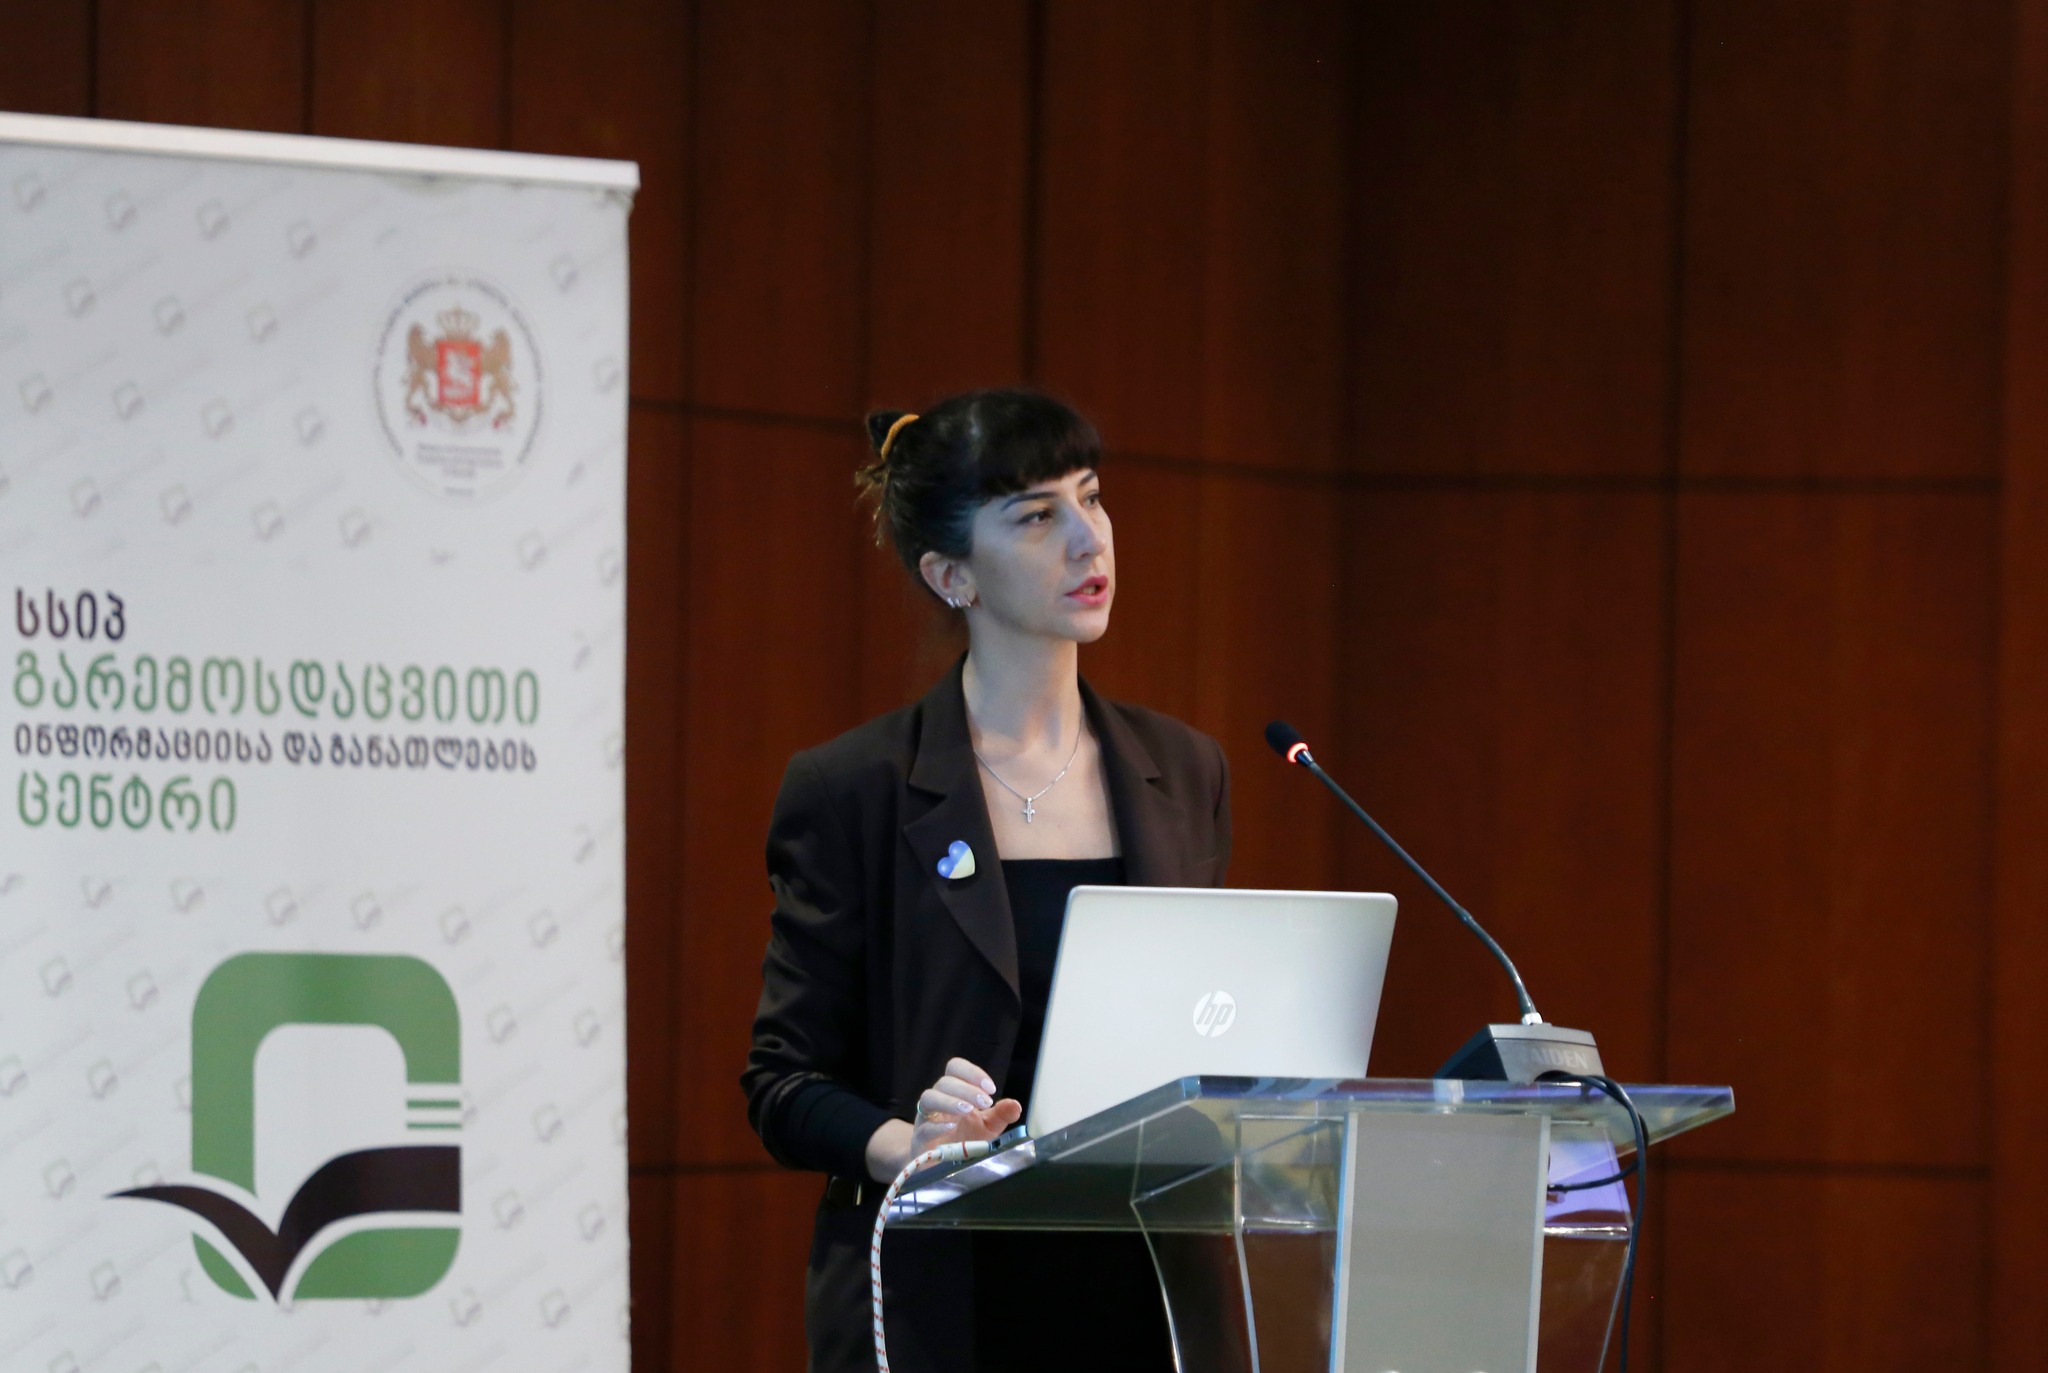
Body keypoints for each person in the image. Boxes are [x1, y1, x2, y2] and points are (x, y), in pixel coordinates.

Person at [742, 388, 1232, 1372]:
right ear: (951, 573)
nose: (1089, 539)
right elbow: (782, 1082)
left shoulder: (1183, 771)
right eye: (1037, 515)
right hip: (942, 1299)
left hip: (1144, 1293)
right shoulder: (853, 788)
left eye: (1091, 496)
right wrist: (904, 1142)